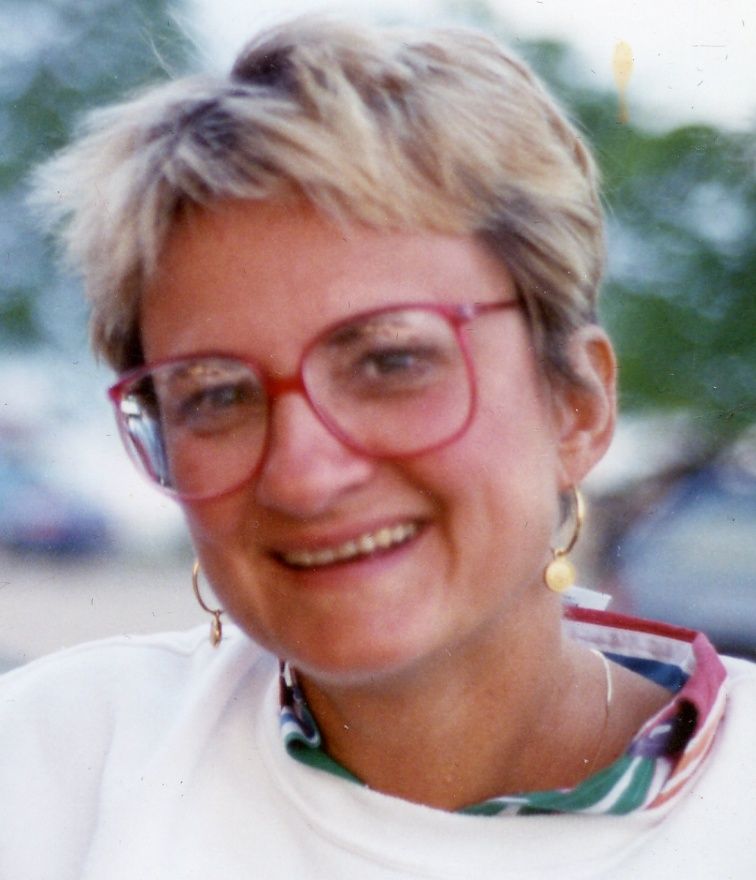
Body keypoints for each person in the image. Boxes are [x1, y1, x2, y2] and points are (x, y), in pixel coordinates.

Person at [2, 15, 753, 879]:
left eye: (390, 361)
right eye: (215, 395)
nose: (303, 475)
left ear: (576, 405)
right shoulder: (47, 771)